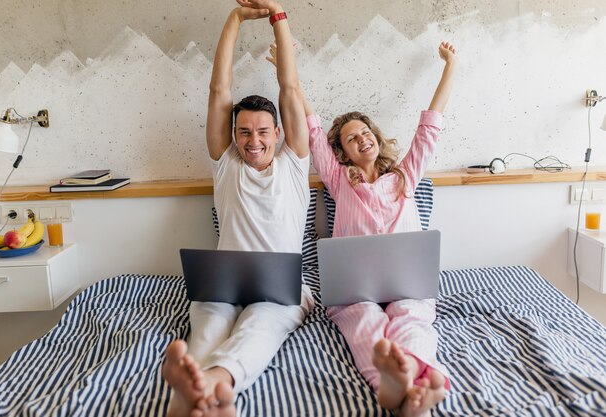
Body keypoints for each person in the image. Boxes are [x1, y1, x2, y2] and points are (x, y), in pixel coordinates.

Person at [268, 40, 458, 416]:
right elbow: (312, 125)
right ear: (343, 153)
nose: (362, 139)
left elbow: (431, 123)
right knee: (362, 320)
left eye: (365, 131)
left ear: (376, 135)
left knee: (412, 315)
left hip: (407, 281)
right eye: (351, 138)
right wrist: (286, 71)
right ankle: (390, 383)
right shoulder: (340, 181)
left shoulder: (406, 175)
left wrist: (450, 64)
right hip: (357, 288)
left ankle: (417, 377)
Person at [162, 1, 313, 416]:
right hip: (224, 285)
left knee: (260, 327)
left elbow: (290, 89)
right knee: (208, 325)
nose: (254, 141)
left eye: (263, 131)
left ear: (278, 132)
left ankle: (214, 383)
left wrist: (278, 15)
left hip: (281, 292)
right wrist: (234, 18)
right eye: (244, 132)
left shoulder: (295, 163)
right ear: (233, 135)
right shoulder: (226, 163)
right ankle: (193, 392)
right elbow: (219, 92)